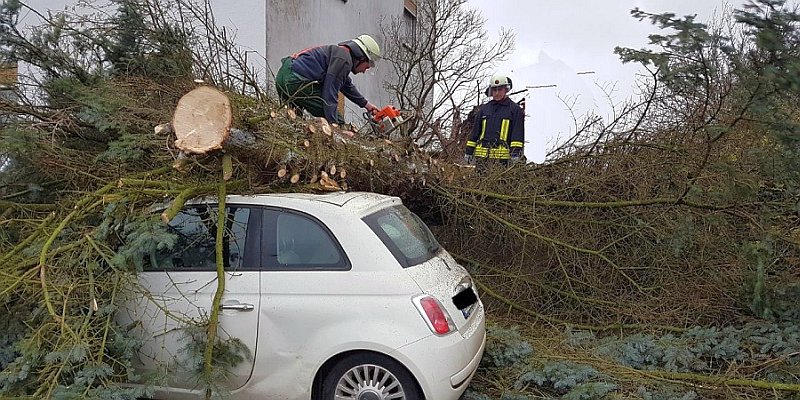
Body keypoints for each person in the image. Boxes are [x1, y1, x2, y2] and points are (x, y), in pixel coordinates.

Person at [275, 34, 381, 124]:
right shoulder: (343, 60)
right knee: (336, 118)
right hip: (295, 80)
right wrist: (335, 125)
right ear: (361, 57)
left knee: (295, 121)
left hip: (282, 76)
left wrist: (366, 104)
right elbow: (329, 93)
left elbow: (346, 85)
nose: (364, 71)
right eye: (367, 67)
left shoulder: (340, 55)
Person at [464, 74, 525, 167]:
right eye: (494, 90)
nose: (496, 93)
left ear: (506, 89)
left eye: (499, 89)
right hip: (482, 159)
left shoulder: (514, 110)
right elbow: (475, 132)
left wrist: (515, 154)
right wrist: (469, 151)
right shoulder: (484, 109)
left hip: (503, 161)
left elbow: (517, 135)